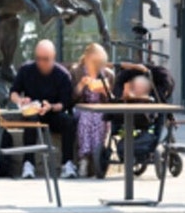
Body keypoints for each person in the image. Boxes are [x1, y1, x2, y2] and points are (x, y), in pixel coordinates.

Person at [9, 39, 78, 179]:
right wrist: (20, 100)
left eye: (46, 59)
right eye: (38, 59)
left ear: (53, 57)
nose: (41, 63)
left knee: (69, 122)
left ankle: (67, 163)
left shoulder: (62, 75)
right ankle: (28, 164)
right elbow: (13, 93)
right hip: (32, 112)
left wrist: (51, 106)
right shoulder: (26, 70)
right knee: (31, 120)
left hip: (52, 112)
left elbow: (64, 104)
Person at [70, 42, 115, 178]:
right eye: (94, 61)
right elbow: (72, 97)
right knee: (86, 118)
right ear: (87, 58)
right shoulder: (77, 71)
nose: (97, 64)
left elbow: (113, 100)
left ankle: (97, 156)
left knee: (99, 118)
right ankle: (84, 159)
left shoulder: (107, 74)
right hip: (82, 107)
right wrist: (81, 85)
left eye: (100, 61)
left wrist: (105, 92)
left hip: (100, 108)